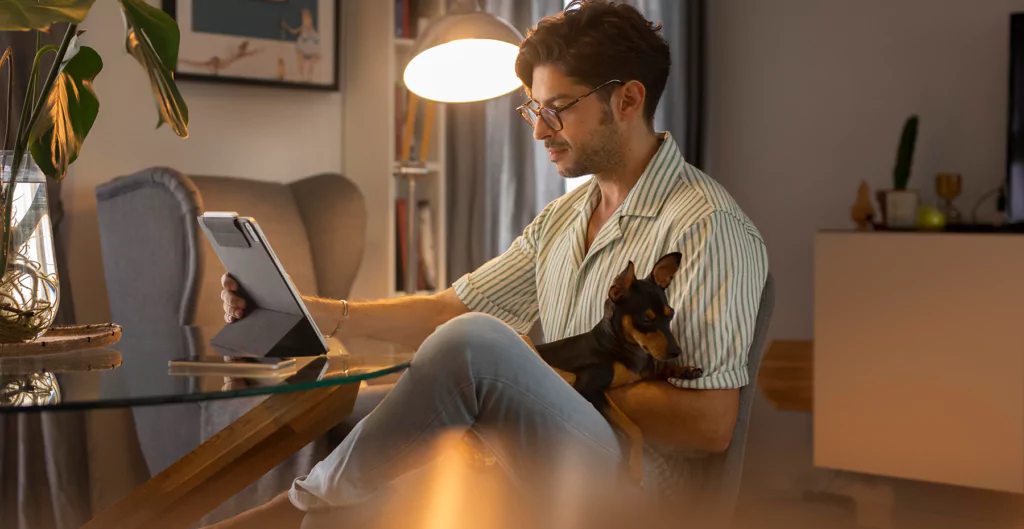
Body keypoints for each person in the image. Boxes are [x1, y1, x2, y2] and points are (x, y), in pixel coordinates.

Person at [211, 1, 768, 527]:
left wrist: (544, 374)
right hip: (540, 459)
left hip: (640, 491)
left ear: (626, 100)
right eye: (533, 108)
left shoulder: (707, 226)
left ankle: (287, 511)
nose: (538, 129)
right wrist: (310, 311)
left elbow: (711, 424)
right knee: (368, 422)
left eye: (558, 109)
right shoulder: (564, 218)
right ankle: (287, 510)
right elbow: (449, 310)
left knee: (478, 345)